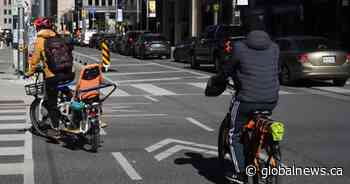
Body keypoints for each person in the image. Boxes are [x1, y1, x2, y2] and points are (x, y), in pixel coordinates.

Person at [207, 30, 280, 183]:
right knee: (261, 121)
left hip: (247, 99)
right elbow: (275, 69)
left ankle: (240, 172)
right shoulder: (274, 47)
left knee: (234, 134)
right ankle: (264, 148)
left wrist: (218, 79)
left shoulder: (240, 48)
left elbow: (228, 69)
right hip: (271, 99)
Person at [26, 17, 74, 138]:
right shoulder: (57, 36)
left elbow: (35, 59)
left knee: (51, 102)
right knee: (65, 91)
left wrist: (30, 72)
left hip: (53, 76)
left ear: (38, 28)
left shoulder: (40, 39)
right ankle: (72, 106)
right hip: (68, 73)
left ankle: (55, 129)